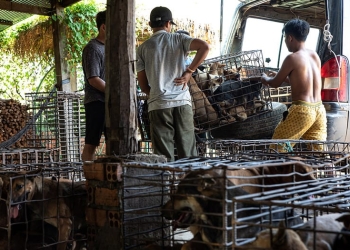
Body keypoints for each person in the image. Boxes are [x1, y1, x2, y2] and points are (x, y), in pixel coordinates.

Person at [136, 6, 210, 161]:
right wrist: (189, 71)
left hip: (159, 106)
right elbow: (205, 46)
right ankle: (189, 184)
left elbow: (143, 85)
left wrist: (156, 93)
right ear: (168, 23)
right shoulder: (179, 39)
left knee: (164, 157)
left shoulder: (142, 49)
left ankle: (167, 184)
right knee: (188, 154)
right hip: (182, 102)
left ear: (150, 24)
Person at [261, 18, 327, 151]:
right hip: (319, 110)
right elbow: (304, 83)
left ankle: (279, 171)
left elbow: (274, 84)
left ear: (290, 37)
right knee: (319, 152)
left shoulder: (292, 58)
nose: (285, 42)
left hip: (302, 111)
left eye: (285, 38)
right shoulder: (314, 55)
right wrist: (282, 76)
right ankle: (326, 171)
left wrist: (265, 78)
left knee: (277, 148)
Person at [81, 10, 107, 161]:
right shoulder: (92, 48)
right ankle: (88, 180)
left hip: (110, 102)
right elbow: (93, 79)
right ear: (103, 27)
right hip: (96, 102)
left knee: (113, 141)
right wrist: (114, 93)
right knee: (92, 143)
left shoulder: (112, 48)